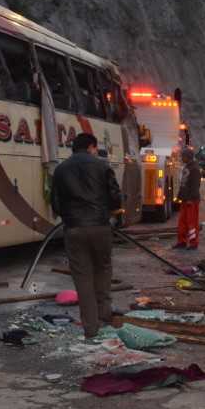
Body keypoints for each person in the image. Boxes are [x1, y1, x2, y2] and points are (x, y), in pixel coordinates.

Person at [52, 133, 123, 338]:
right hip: (100, 227)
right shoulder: (102, 166)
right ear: (91, 147)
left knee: (82, 278)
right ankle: (105, 315)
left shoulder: (61, 169)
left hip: (74, 229)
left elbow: (55, 204)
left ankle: (91, 329)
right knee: (103, 269)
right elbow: (115, 198)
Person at [173, 147, 201, 251]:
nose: (181, 158)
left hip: (191, 201)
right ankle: (182, 242)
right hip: (185, 200)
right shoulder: (187, 168)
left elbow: (195, 185)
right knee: (182, 222)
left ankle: (193, 243)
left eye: (182, 156)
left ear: (187, 157)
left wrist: (191, 199)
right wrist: (179, 197)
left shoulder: (194, 169)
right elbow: (183, 184)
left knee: (191, 223)